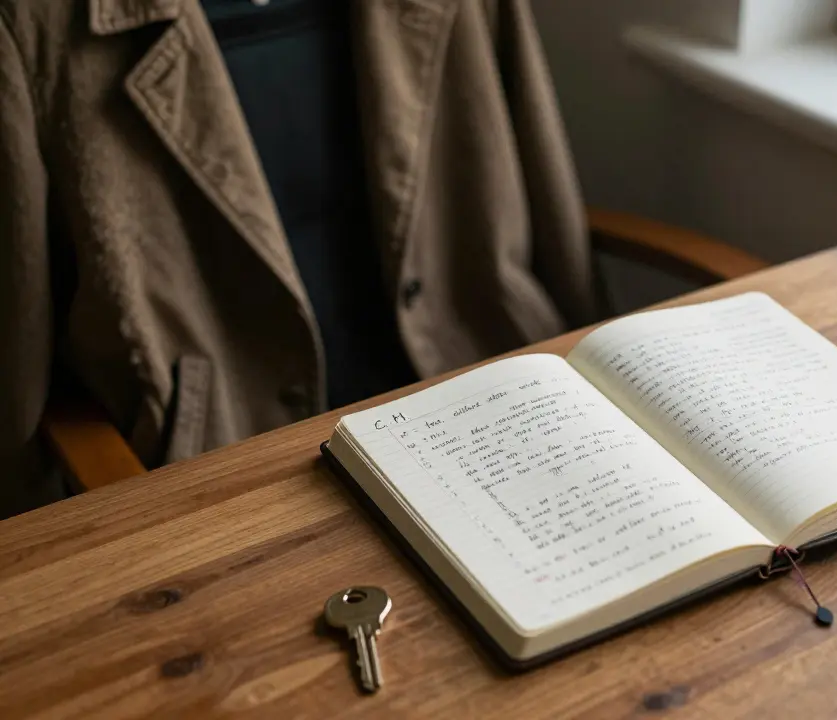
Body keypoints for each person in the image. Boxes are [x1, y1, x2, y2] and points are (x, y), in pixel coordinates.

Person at [0, 0, 595, 517]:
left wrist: (594, 373)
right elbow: (20, 329)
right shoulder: (33, 22)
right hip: (224, 462)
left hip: (492, 395)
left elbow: (540, 173)